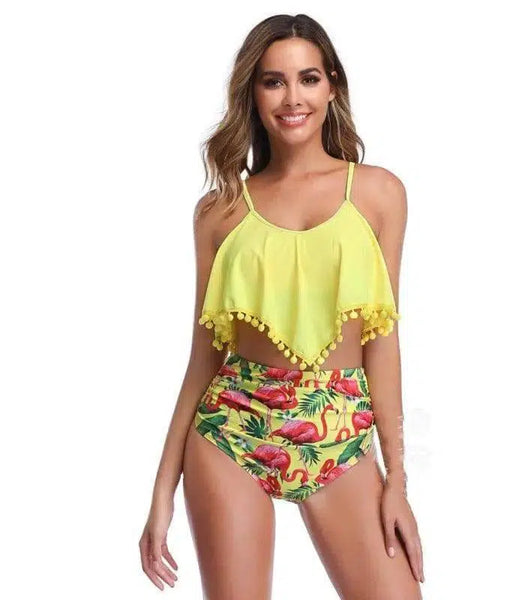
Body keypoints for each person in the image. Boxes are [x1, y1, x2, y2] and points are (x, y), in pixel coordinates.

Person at [139, 13, 424, 599]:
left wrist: (397, 479)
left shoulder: (378, 193)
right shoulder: (219, 211)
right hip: (231, 433)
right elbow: (202, 357)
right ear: (253, 93)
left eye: (308, 78)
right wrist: (162, 491)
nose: (293, 98)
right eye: (274, 81)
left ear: (332, 86)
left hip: (340, 433)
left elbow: (383, 343)